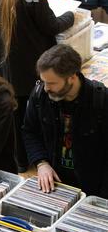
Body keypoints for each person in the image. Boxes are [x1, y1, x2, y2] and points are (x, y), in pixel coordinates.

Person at [0, 0, 75, 172]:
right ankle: (38, 160)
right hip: (29, 68)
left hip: (2, 67)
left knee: (14, 117)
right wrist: (71, 15)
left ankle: (21, 161)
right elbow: (51, 25)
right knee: (30, 117)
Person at [23, 44, 108, 198]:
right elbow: (30, 131)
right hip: (55, 183)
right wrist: (41, 163)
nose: (46, 88)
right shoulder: (40, 95)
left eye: (52, 83)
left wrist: (102, 199)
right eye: (43, 81)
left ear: (72, 77)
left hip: (92, 188)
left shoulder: (101, 101)